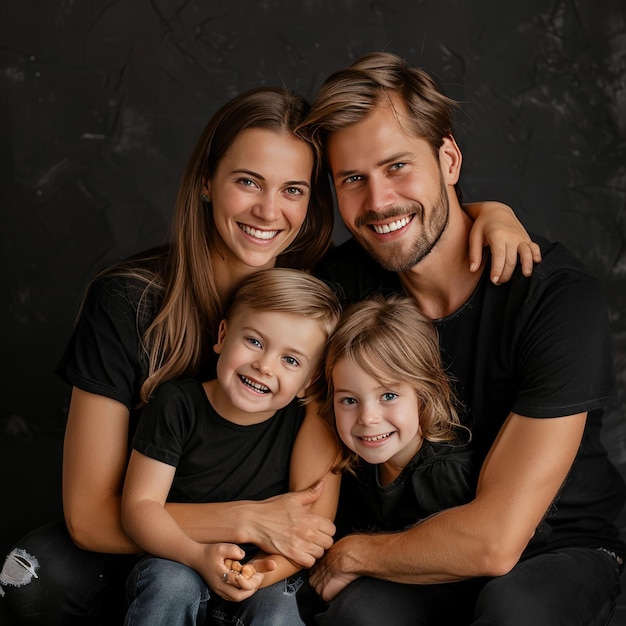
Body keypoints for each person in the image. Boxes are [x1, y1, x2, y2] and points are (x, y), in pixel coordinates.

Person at [0, 82, 536, 625]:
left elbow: (418, 224)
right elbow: (90, 518)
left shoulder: (320, 297)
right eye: (247, 182)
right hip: (146, 530)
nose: (268, 210)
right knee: (35, 575)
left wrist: (493, 213)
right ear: (207, 182)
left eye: (294, 190)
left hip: (270, 561)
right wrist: (249, 520)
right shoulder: (128, 301)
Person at [300, 51, 626, 626]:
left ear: (448, 158)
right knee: (358, 616)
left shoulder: (554, 297)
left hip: (552, 547)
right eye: (353, 179)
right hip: (413, 545)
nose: (378, 203)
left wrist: (355, 551)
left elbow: (496, 542)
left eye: (398, 165)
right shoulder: (338, 288)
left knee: (515, 611)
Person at [121, 267, 342, 625]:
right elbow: (139, 507)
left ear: (308, 380)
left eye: (290, 360)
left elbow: (307, 535)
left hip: (260, 573)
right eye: (254, 341)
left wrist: (254, 575)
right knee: (171, 585)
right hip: (178, 558)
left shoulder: (306, 422)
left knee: (277, 609)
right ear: (223, 335)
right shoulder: (177, 404)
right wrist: (195, 556)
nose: (264, 365)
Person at [318, 294, 475, 536]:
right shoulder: (355, 464)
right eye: (349, 400)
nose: (368, 418)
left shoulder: (445, 475)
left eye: (388, 396)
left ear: (424, 394)